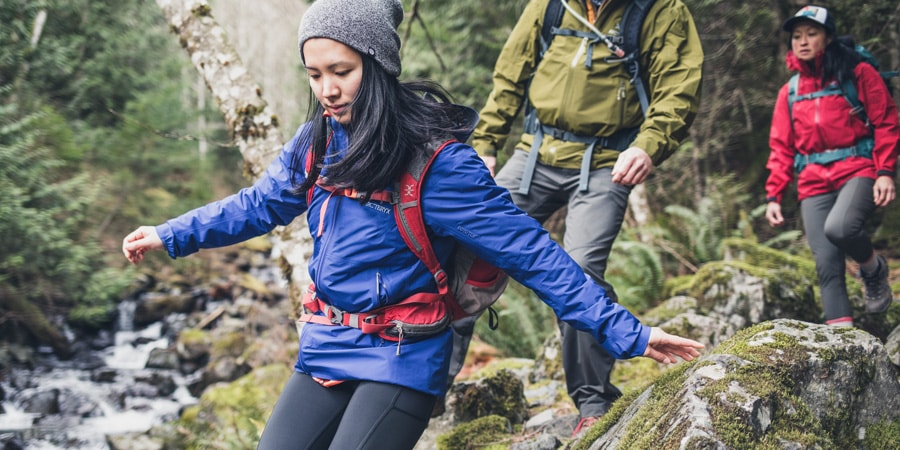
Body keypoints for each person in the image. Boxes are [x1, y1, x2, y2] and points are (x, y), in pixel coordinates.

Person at [122, 0, 704, 448]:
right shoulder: (319, 139)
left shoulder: (439, 163)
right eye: (314, 73)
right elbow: (259, 203)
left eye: (341, 71)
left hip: (402, 353)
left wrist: (630, 334)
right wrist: (171, 234)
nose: (326, 89)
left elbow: (534, 255)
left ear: (376, 64)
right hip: (327, 341)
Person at [448, 0, 704, 434]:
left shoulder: (661, 10)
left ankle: (593, 401)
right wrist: (486, 144)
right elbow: (511, 74)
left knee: (581, 270)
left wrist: (649, 145)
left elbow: (678, 88)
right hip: (535, 152)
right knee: (464, 243)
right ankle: (429, 382)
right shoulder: (550, 6)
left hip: (608, 161)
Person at [765, 5, 899, 328]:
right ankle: (843, 348)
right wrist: (774, 195)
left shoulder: (857, 73)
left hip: (858, 168)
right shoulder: (790, 92)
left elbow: (886, 121)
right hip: (812, 180)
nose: (803, 41)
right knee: (826, 265)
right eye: (797, 36)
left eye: (812, 33)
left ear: (828, 37)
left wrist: (885, 172)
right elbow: (781, 147)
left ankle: (873, 269)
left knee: (840, 227)